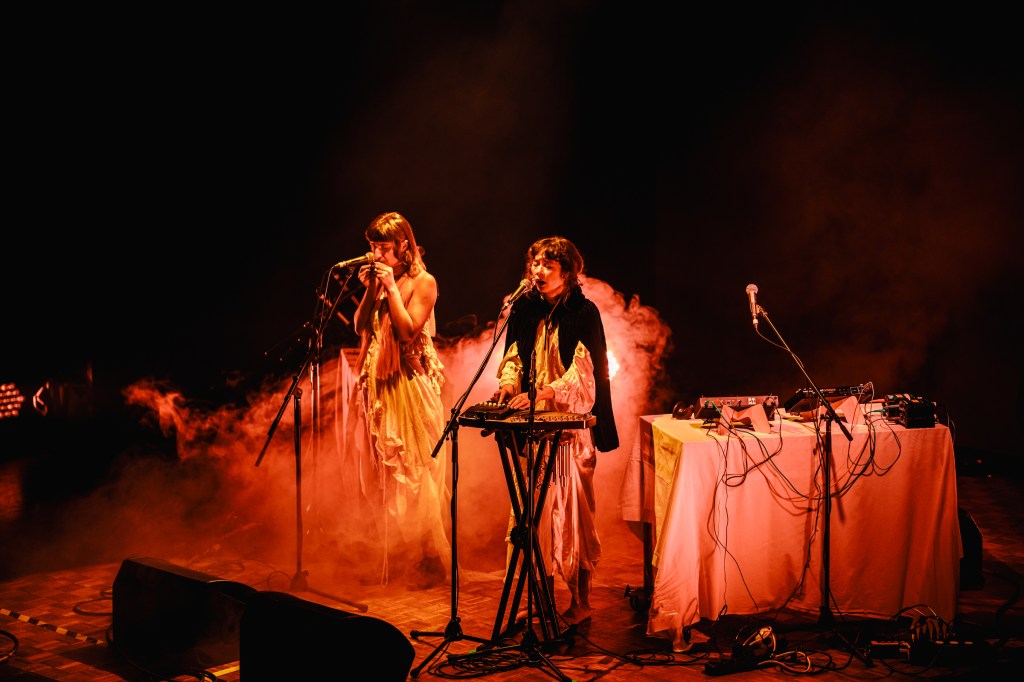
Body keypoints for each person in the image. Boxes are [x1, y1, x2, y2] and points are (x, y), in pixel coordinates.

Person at [492, 235, 618, 626]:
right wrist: (509, 386)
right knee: (533, 517)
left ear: (567, 271)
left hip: (570, 434)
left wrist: (544, 393)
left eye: (548, 264)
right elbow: (513, 356)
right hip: (534, 432)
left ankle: (581, 601)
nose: (539, 270)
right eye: (535, 263)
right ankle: (539, 597)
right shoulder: (524, 309)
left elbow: (585, 374)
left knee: (574, 518)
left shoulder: (583, 312)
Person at [352, 211, 450, 590]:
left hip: (410, 384)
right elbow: (360, 326)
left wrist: (392, 288)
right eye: (372, 246)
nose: (376, 254)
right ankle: (396, 555)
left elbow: (408, 332)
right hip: (381, 385)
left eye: (383, 247)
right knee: (386, 474)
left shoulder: (424, 282)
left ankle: (429, 560)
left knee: (416, 472)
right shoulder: (381, 281)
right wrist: (371, 290)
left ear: (404, 245)